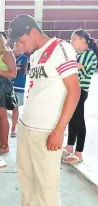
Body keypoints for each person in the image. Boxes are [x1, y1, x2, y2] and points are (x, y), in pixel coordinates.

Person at [7, 14, 80, 206]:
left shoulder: (61, 48)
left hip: (47, 131)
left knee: (46, 188)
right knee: (27, 182)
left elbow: (74, 91)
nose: (20, 48)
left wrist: (59, 130)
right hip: (26, 126)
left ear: (32, 31)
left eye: (22, 41)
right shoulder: (36, 54)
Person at [63, 29, 98, 164]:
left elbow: (80, 69)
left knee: (79, 120)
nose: (71, 42)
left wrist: (69, 63)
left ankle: (79, 152)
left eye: (74, 39)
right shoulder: (79, 54)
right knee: (71, 118)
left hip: (81, 90)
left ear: (83, 40)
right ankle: (70, 145)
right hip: (73, 89)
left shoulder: (90, 55)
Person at [10, 43, 28, 137]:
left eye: (18, 46)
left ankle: (13, 128)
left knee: (15, 108)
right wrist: (14, 69)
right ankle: (2, 127)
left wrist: (12, 69)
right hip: (8, 85)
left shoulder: (24, 58)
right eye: (15, 46)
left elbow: (22, 72)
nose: (16, 48)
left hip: (19, 86)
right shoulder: (9, 57)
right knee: (3, 108)